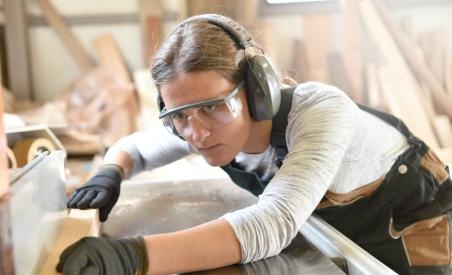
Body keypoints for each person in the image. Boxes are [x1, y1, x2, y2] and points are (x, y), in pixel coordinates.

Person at [56, 14, 452, 275]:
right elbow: (136, 148)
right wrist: (110, 173)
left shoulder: (321, 112)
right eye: (179, 116)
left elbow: (274, 224)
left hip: (413, 223)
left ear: (257, 90)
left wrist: (133, 257)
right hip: (340, 226)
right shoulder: (199, 123)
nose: (196, 134)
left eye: (213, 107)